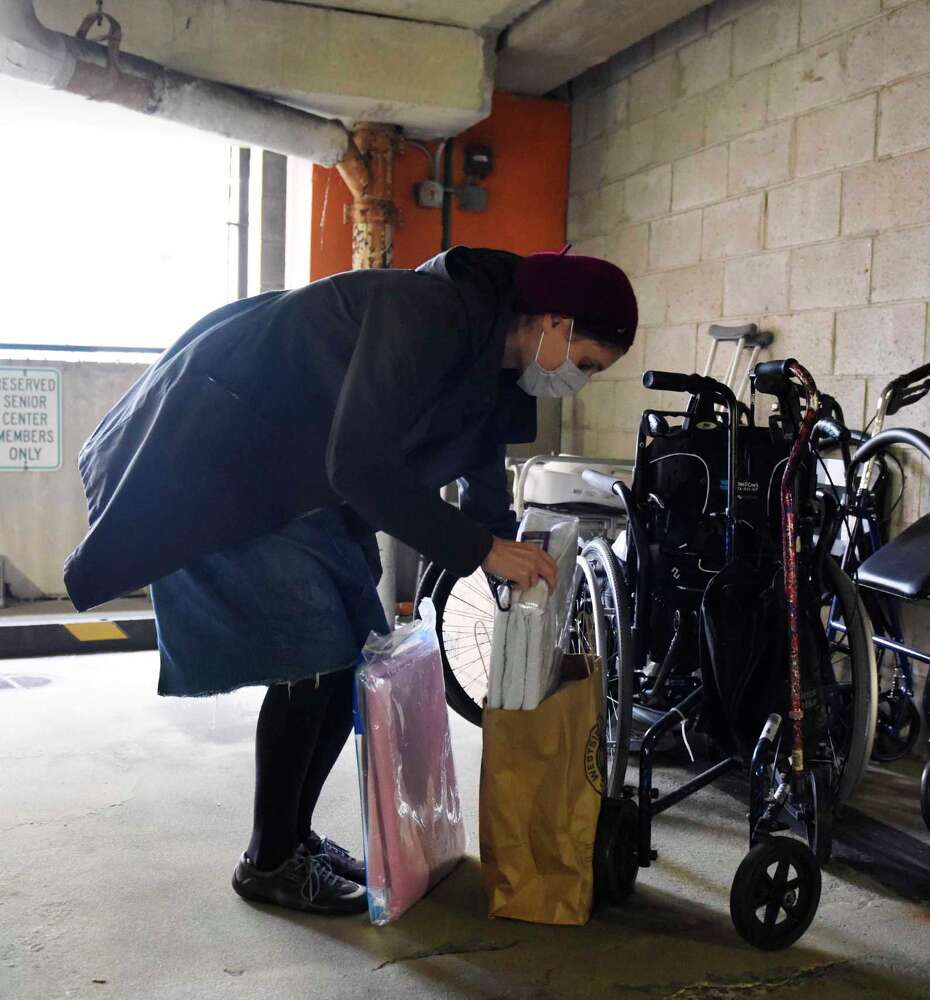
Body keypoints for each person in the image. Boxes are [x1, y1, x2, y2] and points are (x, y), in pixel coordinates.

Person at [63, 245, 638, 916]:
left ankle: (291, 840)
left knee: (357, 648)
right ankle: (268, 860)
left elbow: (482, 482)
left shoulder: (498, 365)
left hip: (303, 472)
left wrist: (502, 558)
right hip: (225, 451)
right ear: (557, 325)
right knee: (314, 650)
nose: (580, 379)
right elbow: (360, 464)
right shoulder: (430, 314)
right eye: (588, 363)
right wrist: (481, 549)